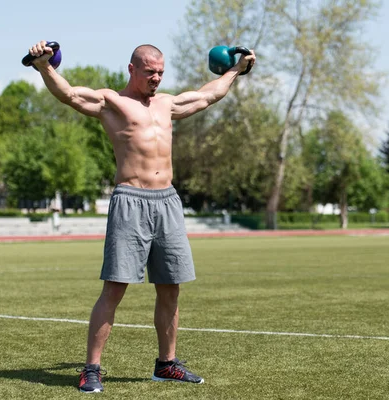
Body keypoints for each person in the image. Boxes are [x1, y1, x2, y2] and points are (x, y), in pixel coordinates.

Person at [27, 40, 256, 393]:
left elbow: (208, 96)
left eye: (161, 72)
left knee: (171, 288)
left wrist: (234, 71)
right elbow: (70, 95)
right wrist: (45, 66)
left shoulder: (166, 104)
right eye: (150, 72)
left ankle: (166, 364)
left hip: (168, 201)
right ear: (132, 69)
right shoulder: (112, 102)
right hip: (130, 201)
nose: (157, 79)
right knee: (115, 289)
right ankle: (91, 369)